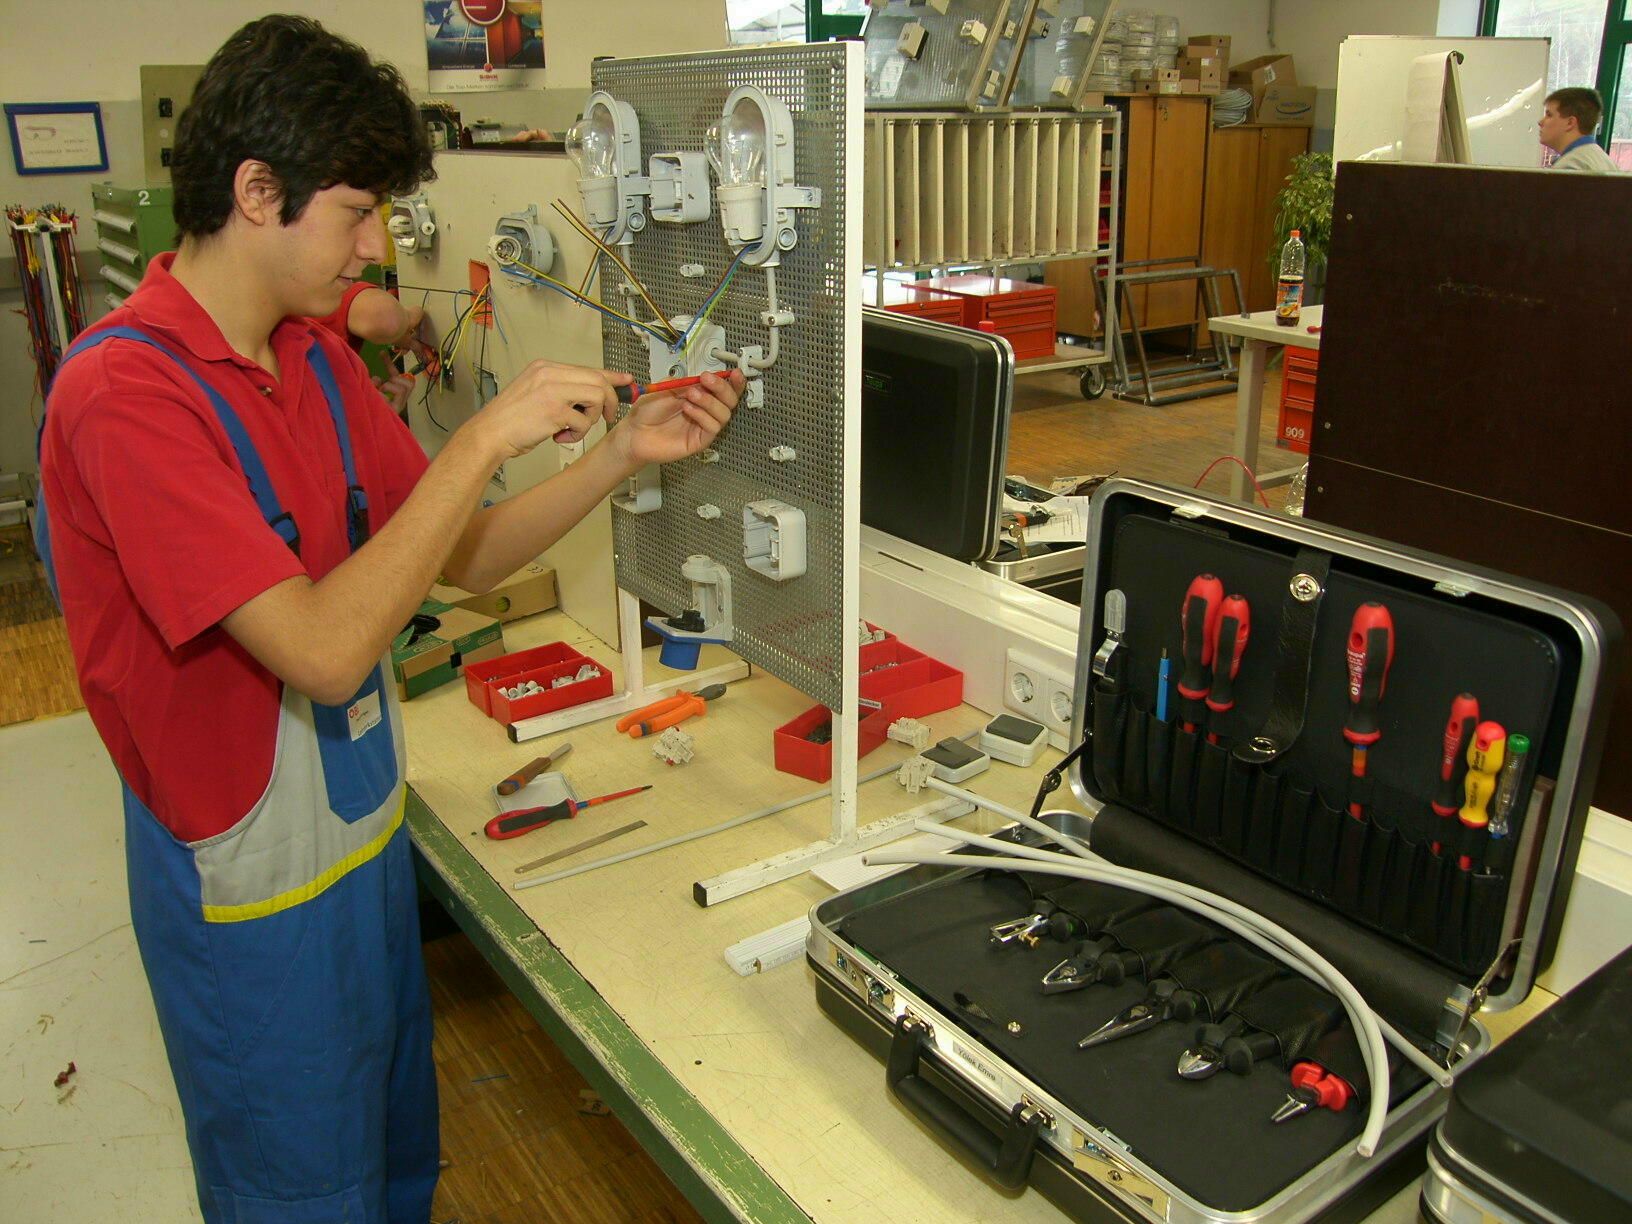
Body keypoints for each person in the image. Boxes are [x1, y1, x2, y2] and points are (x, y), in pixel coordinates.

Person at [35, 15, 741, 1224]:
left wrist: (620, 454)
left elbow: (460, 556)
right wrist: (482, 437)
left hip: (361, 850)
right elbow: (322, 649)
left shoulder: (309, 360)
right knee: (301, 1196)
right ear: (257, 193)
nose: (374, 248)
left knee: (393, 1171)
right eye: (357, 214)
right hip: (249, 904)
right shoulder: (125, 393)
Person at [1538, 87, 1620, 173]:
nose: (1540, 122)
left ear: (1570, 123)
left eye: (1549, 115)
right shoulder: (1605, 160)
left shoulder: (1570, 166)